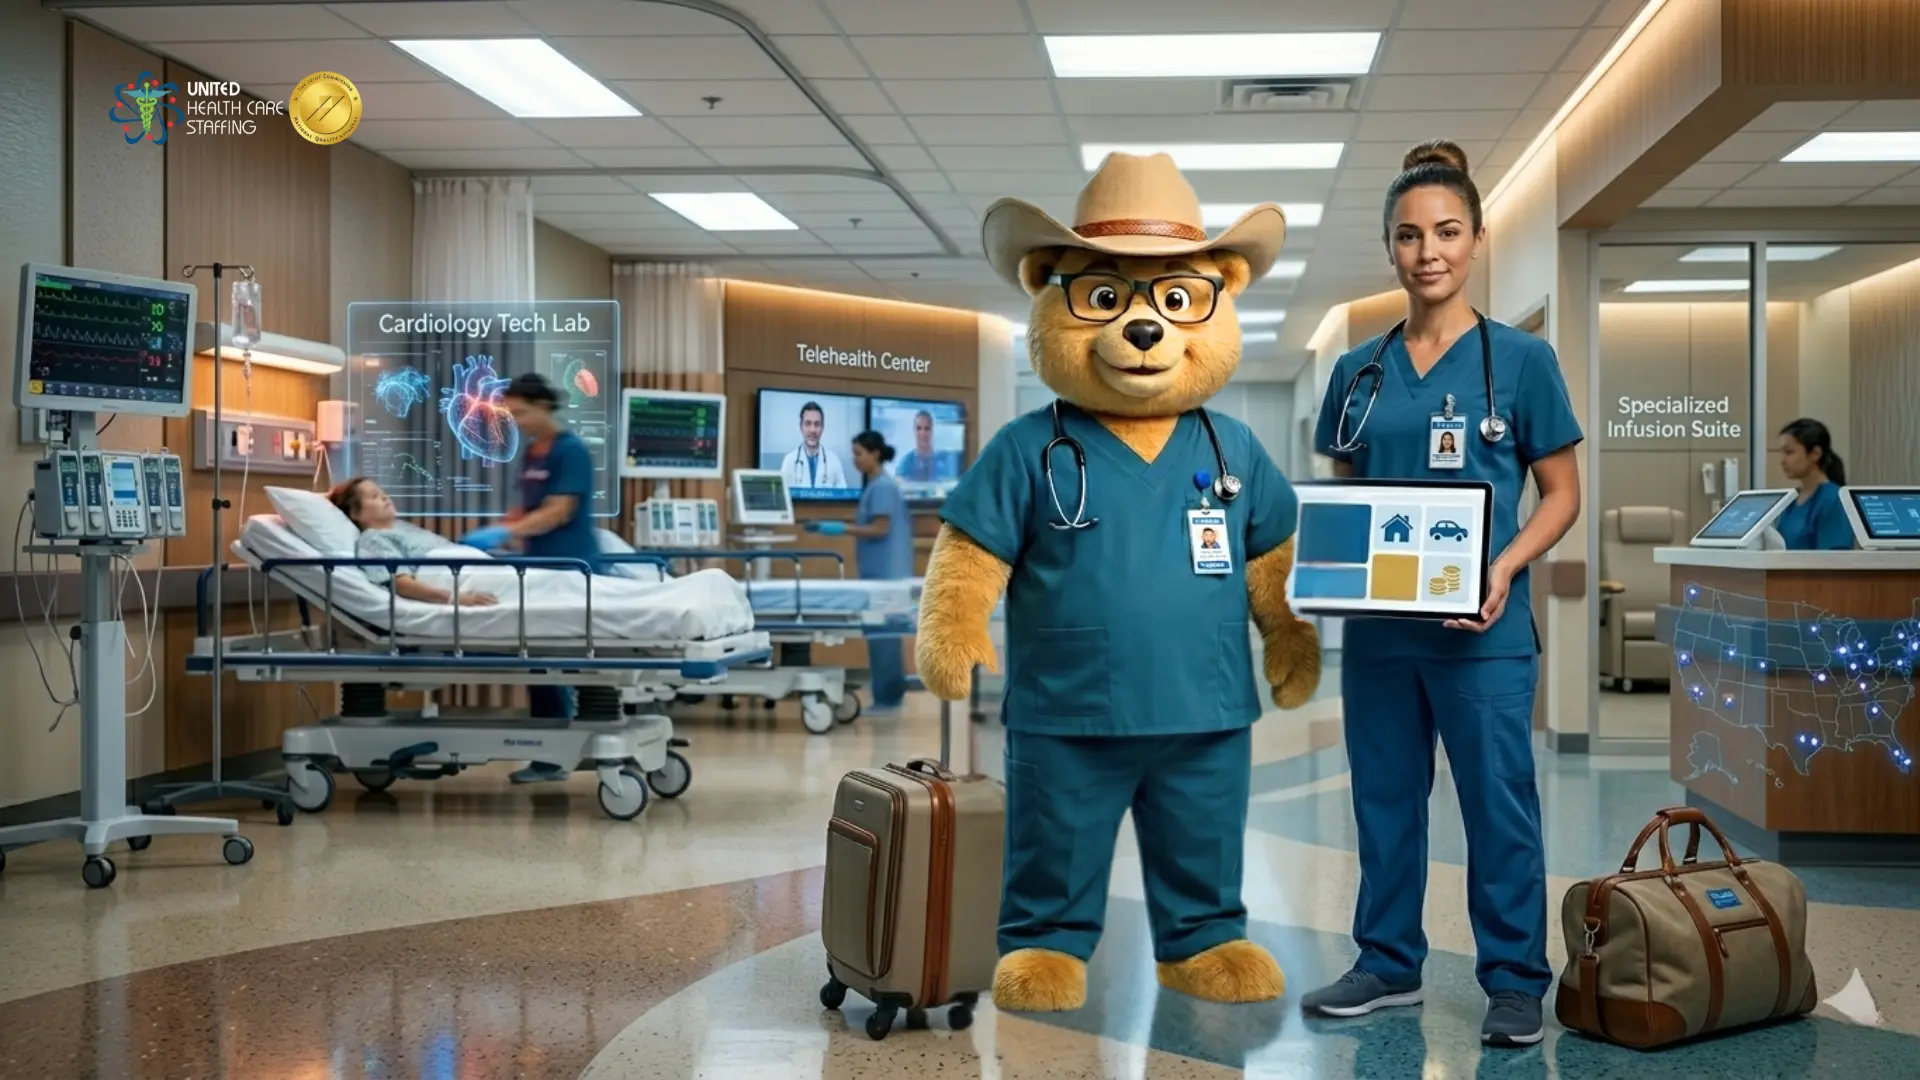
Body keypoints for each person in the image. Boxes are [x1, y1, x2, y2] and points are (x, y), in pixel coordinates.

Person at [1305, 140, 1584, 1049]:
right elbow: (1347, 498)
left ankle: (1512, 978)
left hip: (1484, 631)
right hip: (1383, 636)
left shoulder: (1521, 362)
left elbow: (1562, 495)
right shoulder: (1358, 371)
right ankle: (1387, 960)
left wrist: (1504, 566)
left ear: (1475, 238)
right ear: (1389, 246)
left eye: (1447, 232)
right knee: (1385, 800)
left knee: (1497, 804)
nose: (1429, 251)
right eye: (1410, 235)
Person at [460, 371, 602, 783]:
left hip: (570, 566)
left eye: (521, 412)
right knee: (539, 661)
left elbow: (559, 511)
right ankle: (554, 751)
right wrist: (496, 533)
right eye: (512, 413)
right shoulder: (533, 454)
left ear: (543, 406)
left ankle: (557, 753)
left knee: (550, 660)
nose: (516, 421)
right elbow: (526, 510)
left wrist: (508, 533)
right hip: (538, 568)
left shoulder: (569, 451)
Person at [807, 431, 915, 715]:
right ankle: (888, 696)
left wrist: (838, 528)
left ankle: (887, 701)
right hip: (883, 574)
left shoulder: (882, 488)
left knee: (884, 639)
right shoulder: (877, 486)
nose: (855, 460)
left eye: (859, 454)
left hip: (885, 578)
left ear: (875, 454)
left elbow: (881, 528)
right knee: (884, 638)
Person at [328, 477, 496, 606]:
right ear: (355, 513)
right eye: (375, 496)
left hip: (471, 567)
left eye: (383, 492)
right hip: (456, 576)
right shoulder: (373, 539)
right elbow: (401, 584)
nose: (385, 497)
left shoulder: (402, 528)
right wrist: (454, 598)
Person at [1774, 418, 1854, 551]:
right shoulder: (1791, 500)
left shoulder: (1834, 499)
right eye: (1781, 453)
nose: (1782, 460)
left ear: (1815, 454)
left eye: (1789, 452)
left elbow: (1835, 559)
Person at [779, 400, 849, 490]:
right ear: (801, 427)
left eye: (817, 424)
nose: (812, 430)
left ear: (822, 428)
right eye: (808, 424)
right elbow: (782, 496)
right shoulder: (789, 461)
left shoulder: (834, 461)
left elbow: (843, 495)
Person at [894, 410, 942, 482]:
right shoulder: (908, 460)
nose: (922, 433)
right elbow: (897, 479)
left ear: (932, 431)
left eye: (926, 429)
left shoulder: (940, 461)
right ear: (914, 431)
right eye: (919, 428)